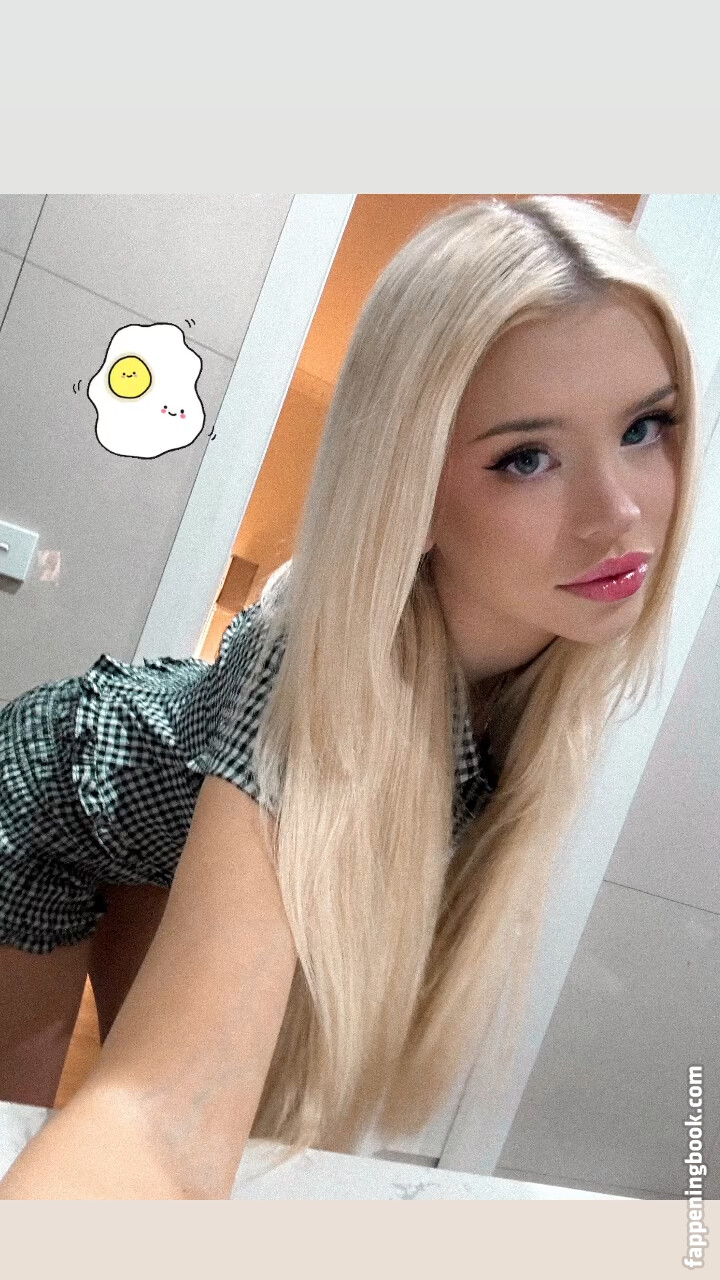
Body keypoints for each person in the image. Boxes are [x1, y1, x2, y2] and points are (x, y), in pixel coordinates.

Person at [0, 195, 701, 1199]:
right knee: (56, 1129)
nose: (619, 511)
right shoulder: (317, 657)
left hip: (159, 832)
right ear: (409, 484)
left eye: (646, 426)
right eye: (527, 457)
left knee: (227, 1144)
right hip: (52, 801)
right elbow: (159, 1123)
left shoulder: (556, 664)